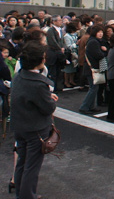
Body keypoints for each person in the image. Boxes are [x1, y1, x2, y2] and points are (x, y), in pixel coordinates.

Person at [10, 40, 58, 199]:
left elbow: (25, 96)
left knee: (21, 163)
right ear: (41, 61)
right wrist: (51, 100)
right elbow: (48, 108)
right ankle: (27, 195)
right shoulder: (38, 84)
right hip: (35, 130)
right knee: (32, 167)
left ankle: (22, 193)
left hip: (19, 127)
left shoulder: (18, 75)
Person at [79, 25, 107, 114]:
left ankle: (91, 106)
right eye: (99, 32)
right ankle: (84, 106)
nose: (101, 34)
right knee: (93, 88)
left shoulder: (92, 41)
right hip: (92, 68)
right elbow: (99, 55)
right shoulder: (94, 42)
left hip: (90, 68)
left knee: (94, 87)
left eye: (102, 32)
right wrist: (104, 50)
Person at [62, 21, 79, 88]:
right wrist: (76, 44)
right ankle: (66, 82)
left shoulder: (74, 35)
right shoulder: (66, 36)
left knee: (73, 68)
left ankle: (71, 80)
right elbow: (68, 46)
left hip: (74, 53)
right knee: (68, 69)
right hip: (69, 53)